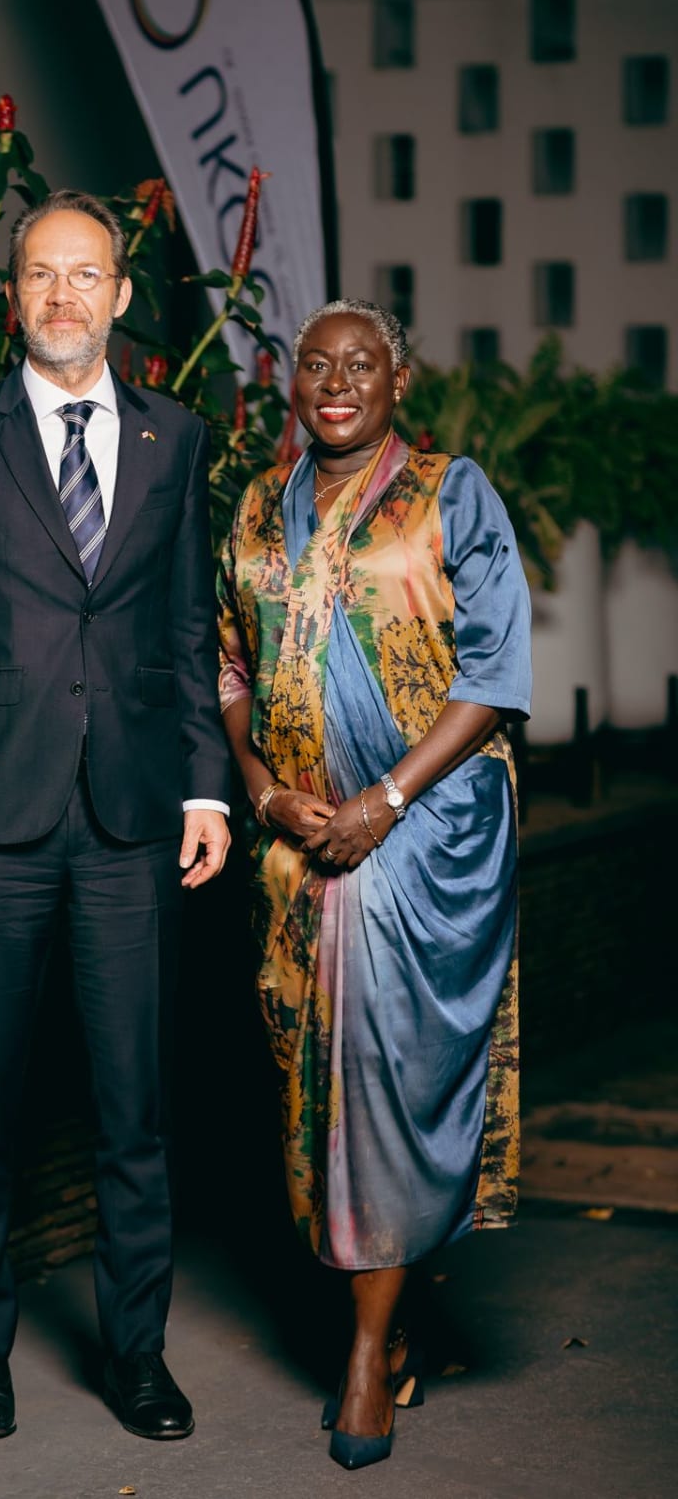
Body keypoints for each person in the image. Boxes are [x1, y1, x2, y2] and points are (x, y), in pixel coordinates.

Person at [0, 190, 231, 1443]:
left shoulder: (177, 437)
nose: (60, 297)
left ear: (121, 295)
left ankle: (136, 1356)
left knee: (134, 1107)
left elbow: (188, 629)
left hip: (138, 819)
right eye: (39, 274)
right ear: (13, 293)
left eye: (83, 275)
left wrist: (206, 783)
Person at [216, 299, 530, 1471]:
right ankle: (390, 1308)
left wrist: (383, 802)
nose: (335, 381)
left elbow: (495, 673)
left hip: (424, 836)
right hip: (299, 841)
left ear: (400, 379)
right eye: (315, 364)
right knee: (322, 1080)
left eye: (361, 364)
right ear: (290, 382)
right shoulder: (257, 504)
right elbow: (229, 661)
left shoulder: (453, 494)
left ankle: (366, 1354)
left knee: (391, 1080)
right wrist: (259, 788)